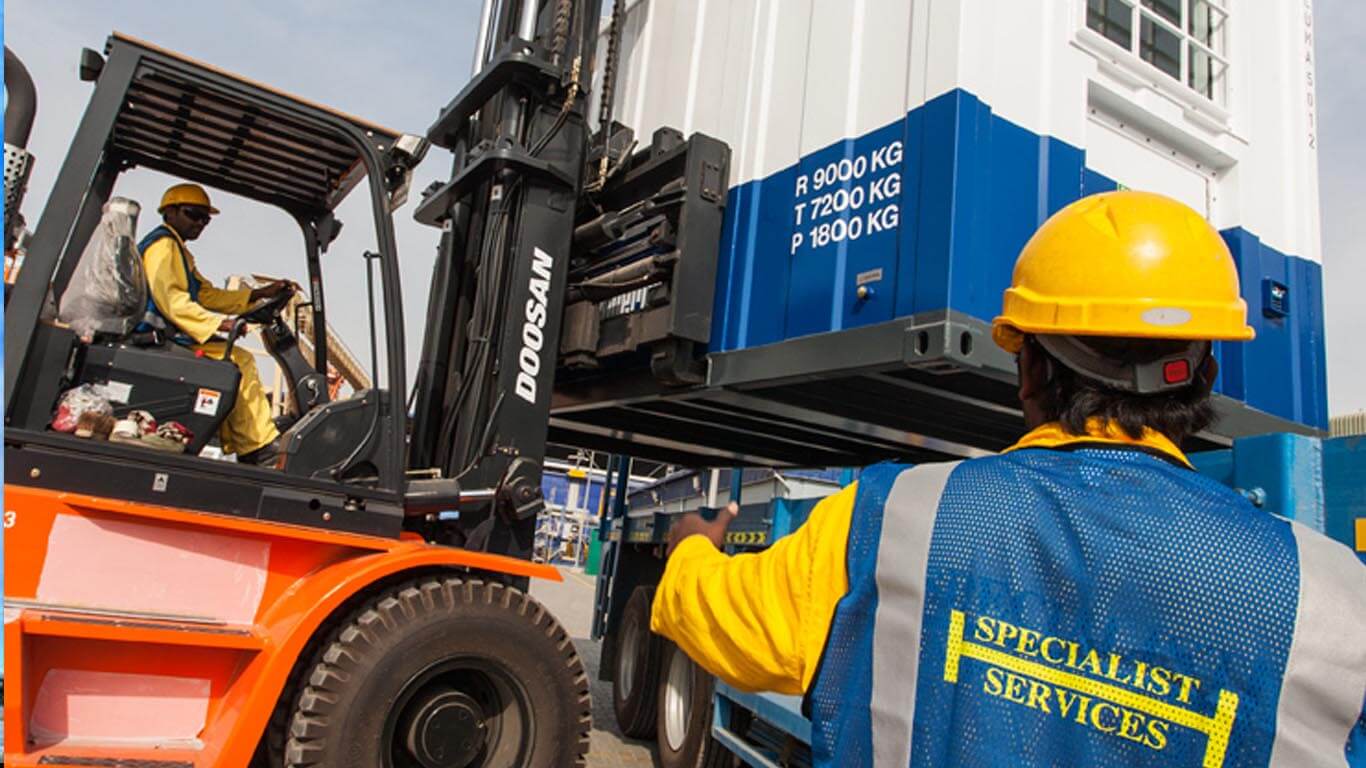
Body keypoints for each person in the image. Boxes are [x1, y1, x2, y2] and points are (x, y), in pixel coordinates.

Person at [651, 191, 1366, 766]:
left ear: (1029, 369)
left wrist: (689, 552)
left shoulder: (893, 520)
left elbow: (731, 623)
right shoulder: (1333, 604)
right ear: (1204, 374)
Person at [141, 183, 291, 465]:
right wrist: (220, 324)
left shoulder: (179, 251)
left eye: (205, 219)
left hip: (170, 335)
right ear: (169, 212)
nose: (200, 223)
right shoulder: (163, 247)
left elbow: (206, 294)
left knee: (236, 359)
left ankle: (249, 443)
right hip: (159, 337)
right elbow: (172, 299)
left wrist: (258, 294)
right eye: (193, 214)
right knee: (239, 360)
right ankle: (256, 447)